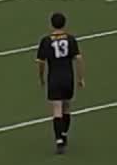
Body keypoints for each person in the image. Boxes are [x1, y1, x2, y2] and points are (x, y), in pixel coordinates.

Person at [36, 12, 84, 154]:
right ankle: (64, 133)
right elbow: (79, 59)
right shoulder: (70, 39)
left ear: (51, 24)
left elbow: (40, 62)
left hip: (54, 78)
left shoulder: (46, 40)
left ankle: (59, 140)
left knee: (57, 108)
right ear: (64, 23)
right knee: (67, 107)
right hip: (68, 77)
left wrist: (41, 78)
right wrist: (80, 78)